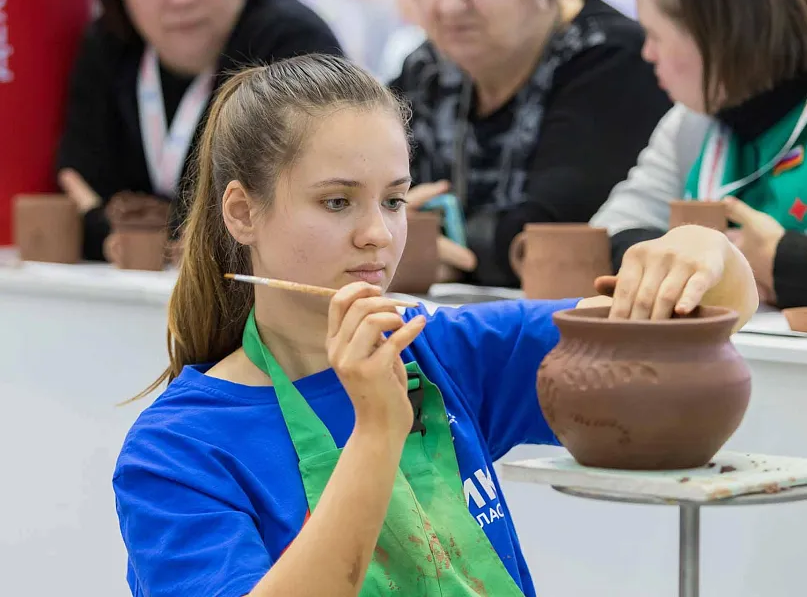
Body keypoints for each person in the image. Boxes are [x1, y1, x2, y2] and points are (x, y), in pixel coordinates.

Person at [112, 54, 756, 597]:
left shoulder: (443, 349)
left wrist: (706, 251)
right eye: (337, 202)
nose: (377, 236)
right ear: (242, 213)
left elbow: (689, 331)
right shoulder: (179, 450)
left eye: (394, 200)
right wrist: (376, 432)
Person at [390, 0, 672, 286]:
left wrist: (411, 238)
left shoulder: (610, 54)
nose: (448, 7)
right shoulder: (427, 68)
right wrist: (390, 220)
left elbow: (549, 234)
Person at [56, 0, 342, 262]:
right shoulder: (109, 44)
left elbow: (296, 206)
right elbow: (78, 180)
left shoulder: (294, 44)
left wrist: (128, 232)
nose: (181, 1)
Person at [591, 0, 807, 309]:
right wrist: (685, 256)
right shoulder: (690, 122)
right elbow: (613, 226)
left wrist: (786, 262)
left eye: (656, 36)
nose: (647, 53)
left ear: (721, 39)